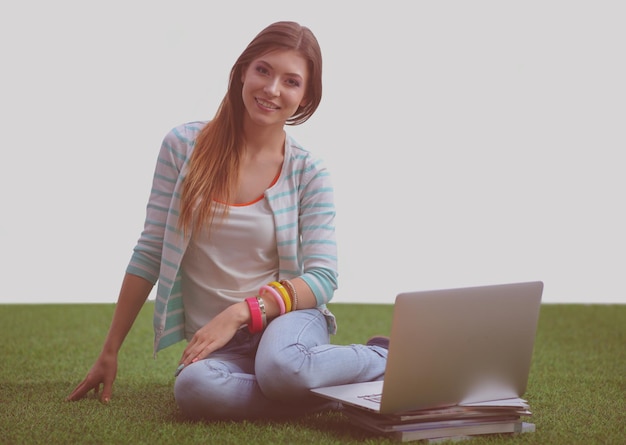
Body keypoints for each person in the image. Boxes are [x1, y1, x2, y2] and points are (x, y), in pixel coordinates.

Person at [67, 20, 388, 420]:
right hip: (221, 348)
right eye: (263, 71)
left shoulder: (309, 171)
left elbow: (323, 278)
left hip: (284, 326)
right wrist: (109, 351)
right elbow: (150, 250)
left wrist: (242, 312)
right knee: (195, 389)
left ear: (305, 98)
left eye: (291, 81)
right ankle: (326, 391)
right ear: (242, 72)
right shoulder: (182, 147)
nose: (271, 89)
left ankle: (384, 358)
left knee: (281, 366)